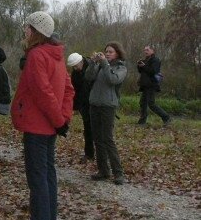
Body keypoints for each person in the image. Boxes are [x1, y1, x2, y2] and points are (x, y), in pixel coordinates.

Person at [11, 11, 74, 220]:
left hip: (37, 126)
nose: (25, 31)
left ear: (35, 31)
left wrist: (60, 121)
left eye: (28, 27)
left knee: (38, 179)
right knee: (47, 175)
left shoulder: (37, 55)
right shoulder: (55, 55)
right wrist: (62, 120)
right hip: (49, 126)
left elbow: (43, 92)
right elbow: (66, 89)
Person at [85, 42, 127, 186]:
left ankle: (118, 173)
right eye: (106, 51)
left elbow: (112, 80)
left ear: (117, 54)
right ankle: (103, 171)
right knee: (97, 139)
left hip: (108, 106)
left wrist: (104, 63)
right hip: (94, 105)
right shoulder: (100, 65)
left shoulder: (120, 67)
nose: (107, 54)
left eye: (111, 52)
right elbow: (88, 77)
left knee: (108, 139)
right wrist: (92, 63)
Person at [67, 52, 95, 163]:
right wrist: (75, 106)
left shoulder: (92, 67)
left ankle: (102, 154)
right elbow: (75, 90)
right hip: (84, 104)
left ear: (81, 62)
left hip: (94, 103)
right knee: (87, 129)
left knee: (97, 131)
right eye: (73, 66)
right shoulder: (75, 73)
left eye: (76, 65)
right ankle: (89, 153)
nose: (75, 68)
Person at [137, 45, 171, 126]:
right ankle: (142, 122)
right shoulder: (145, 60)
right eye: (145, 50)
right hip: (145, 85)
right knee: (142, 103)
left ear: (153, 50)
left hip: (151, 85)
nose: (145, 51)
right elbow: (142, 71)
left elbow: (153, 71)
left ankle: (166, 117)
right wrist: (139, 66)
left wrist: (144, 66)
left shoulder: (156, 60)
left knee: (151, 104)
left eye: (147, 50)